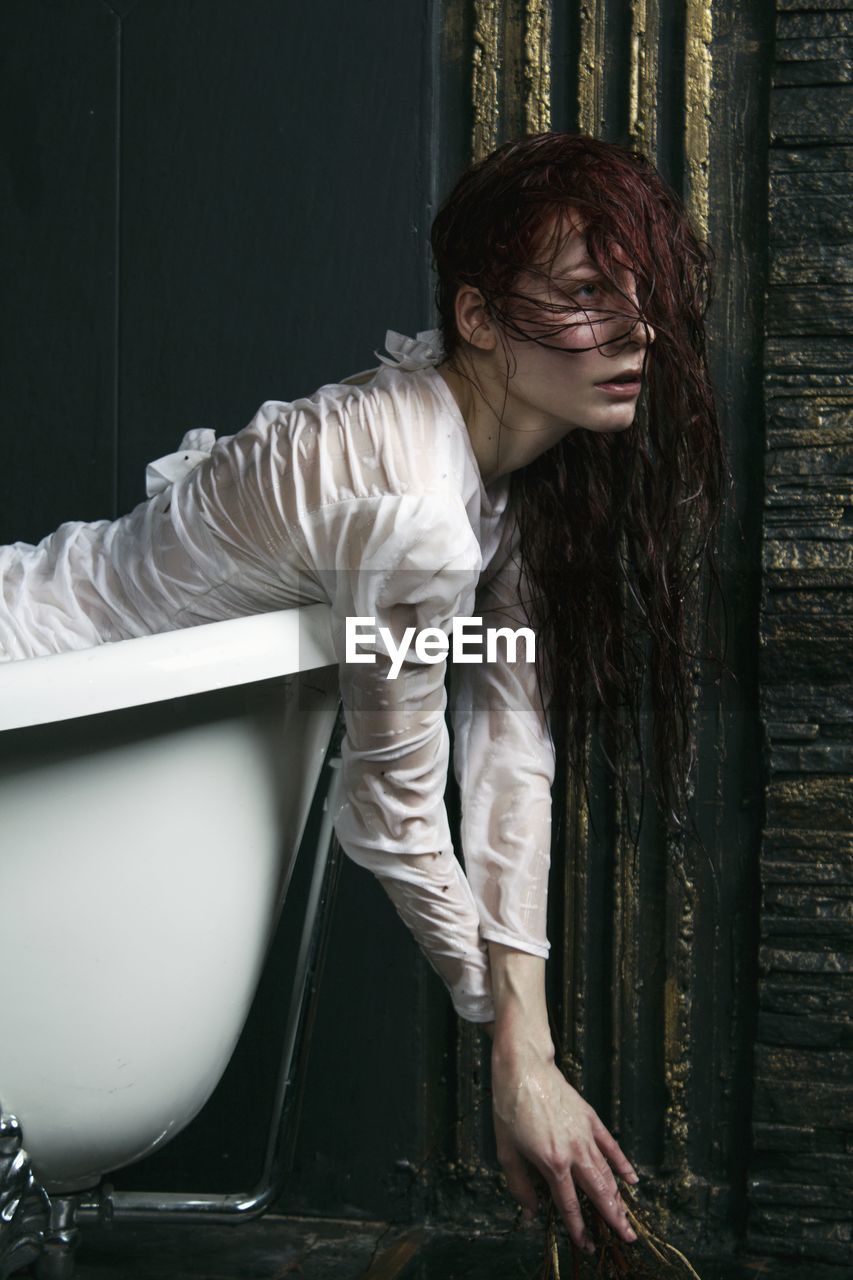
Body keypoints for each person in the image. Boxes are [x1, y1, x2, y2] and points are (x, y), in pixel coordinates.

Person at [0, 132, 726, 1257]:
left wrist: (523, 1035)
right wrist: (510, 1042)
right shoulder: (417, 513)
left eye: (640, 295)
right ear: (480, 318)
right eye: (585, 293)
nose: (632, 329)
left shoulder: (493, 482)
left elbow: (510, 746)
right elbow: (390, 815)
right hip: (27, 663)